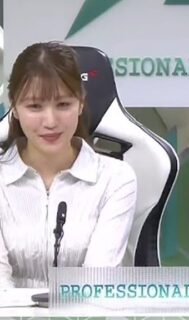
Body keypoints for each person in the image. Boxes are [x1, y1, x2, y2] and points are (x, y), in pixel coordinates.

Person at [0, 42, 137, 288]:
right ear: (15, 108)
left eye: (63, 104)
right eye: (34, 106)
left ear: (81, 103)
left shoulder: (115, 178)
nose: (50, 121)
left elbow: (97, 282)